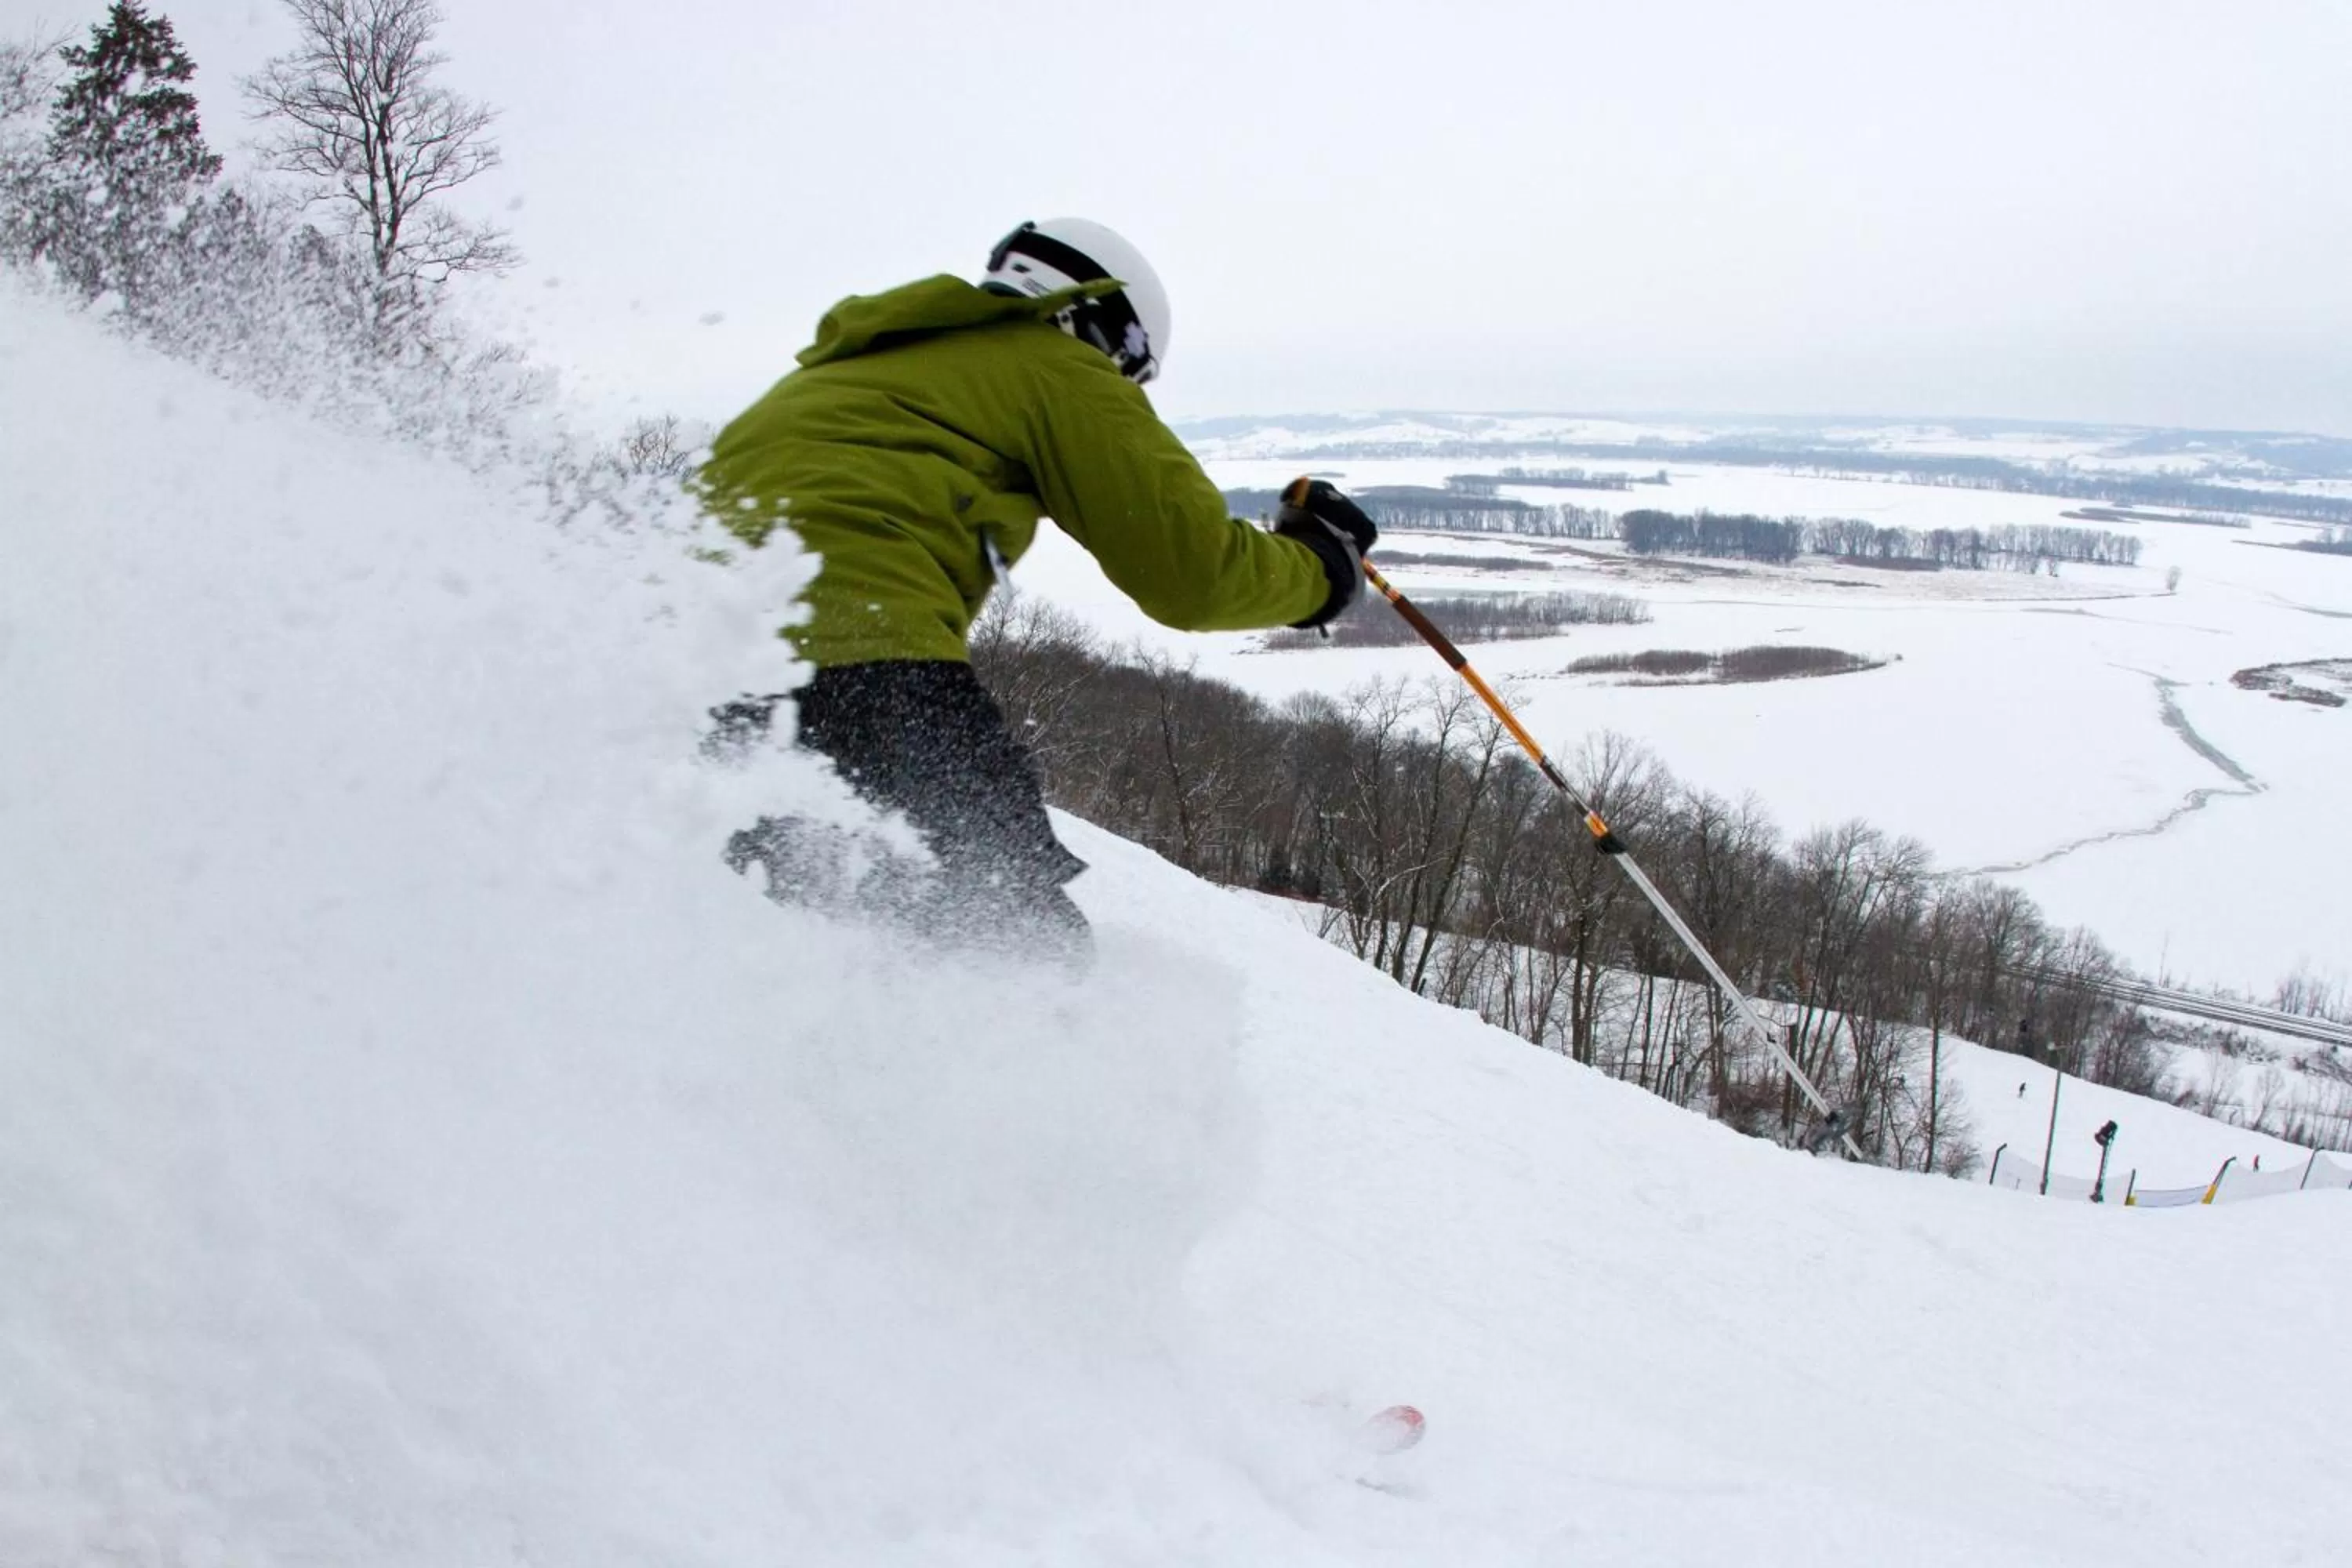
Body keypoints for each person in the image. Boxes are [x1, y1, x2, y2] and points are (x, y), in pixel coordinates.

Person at [696, 217, 1378, 964]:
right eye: (1133, 370)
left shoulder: (839, 373)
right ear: (1107, 329)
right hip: (862, 664)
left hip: (691, 685)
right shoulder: (1054, 363)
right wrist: (1324, 571)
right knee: (1011, 950)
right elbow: (1193, 575)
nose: (1125, 386)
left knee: (803, 939)